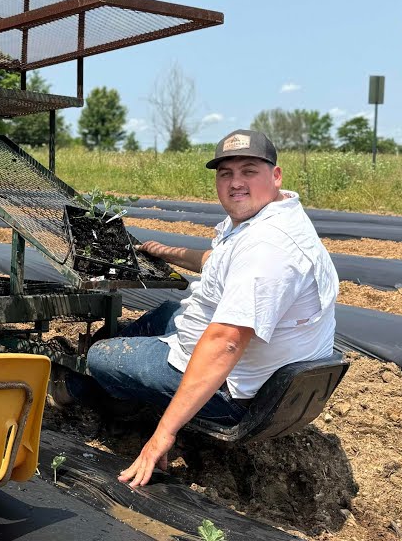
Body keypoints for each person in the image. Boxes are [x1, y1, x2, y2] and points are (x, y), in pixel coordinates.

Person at [85, 129, 338, 488]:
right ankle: (125, 375)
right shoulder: (272, 217)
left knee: (101, 356)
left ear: (275, 175)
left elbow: (226, 343)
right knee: (168, 311)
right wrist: (166, 251)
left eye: (249, 170)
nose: (236, 183)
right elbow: (218, 261)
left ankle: (85, 389)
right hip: (263, 371)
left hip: (235, 393)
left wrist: (163, 434)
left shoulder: (268, 249)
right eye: (226, 174)